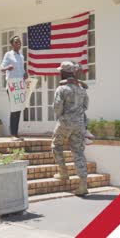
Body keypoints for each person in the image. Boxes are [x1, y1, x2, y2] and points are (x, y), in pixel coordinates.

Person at [52, 61, 89, 196]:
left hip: (66, 122)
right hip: (79, 124)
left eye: (60, 71)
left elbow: (57, 108)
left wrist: (63, 116)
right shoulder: (81, 88)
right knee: (78, 151)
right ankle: (83, 184)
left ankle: (63, 172)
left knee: (56, 145)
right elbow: (86, 106)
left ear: (63, 73)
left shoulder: (61, 89)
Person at [59, 63, 95, 145]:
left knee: (82, 116)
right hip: (70, 110)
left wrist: (78, 81)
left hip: (78, 108)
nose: (80, 73)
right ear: (74, 71)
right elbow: (61, 82)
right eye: (78, 71)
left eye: (80, 71)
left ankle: (85, 134)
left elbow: (86, 86)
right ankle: (84, 135)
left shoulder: (78, 82)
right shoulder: (69, 80)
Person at [0, 36, 28, 141]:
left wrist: (25, 74)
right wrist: (8, 68)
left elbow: (21, 70)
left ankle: (16, 134)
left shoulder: (21, 56)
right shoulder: (8, 55)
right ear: (12, 44)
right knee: (14, 108)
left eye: (20, 42)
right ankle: (12, 134)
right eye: (16, 42)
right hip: (12, 86)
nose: (19, 44)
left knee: (19, 109)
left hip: (20, 86)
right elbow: (1, 68)